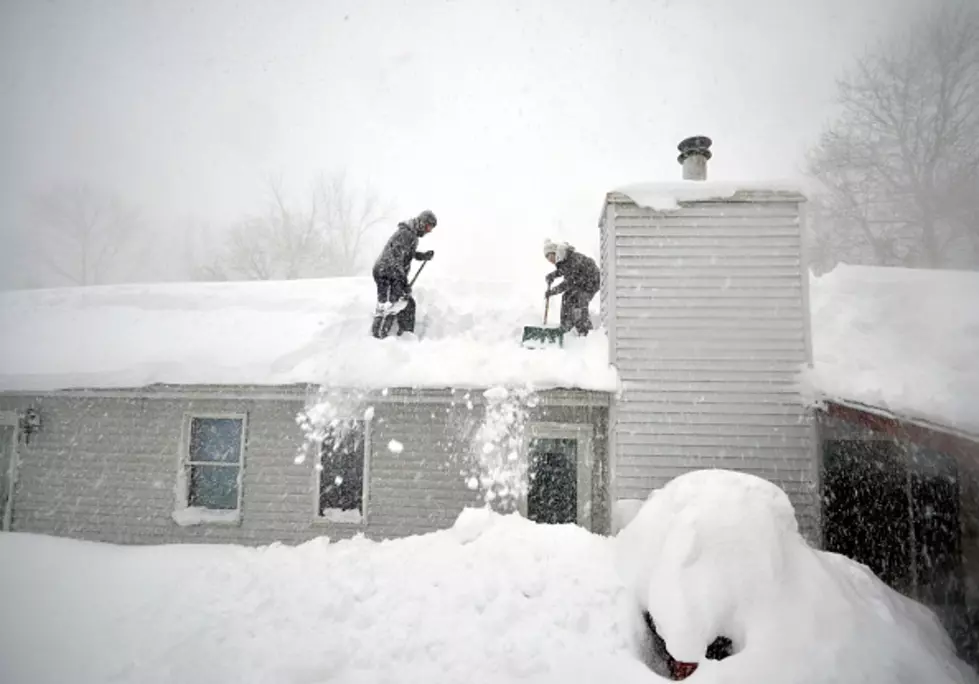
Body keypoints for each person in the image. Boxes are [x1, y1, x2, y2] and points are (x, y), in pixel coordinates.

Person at [371, 210, 437, 338]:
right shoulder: (407, 234)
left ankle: (400, 336)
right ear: (422, 222)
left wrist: (422, 256)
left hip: (388, 271)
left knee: (398, 304)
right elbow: (395, 259)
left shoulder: (410, 234)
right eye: (428, 227)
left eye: (431, 229)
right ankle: (381, 337)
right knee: (393, 305)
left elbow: (407, 253)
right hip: (387, 272)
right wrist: (404, 283)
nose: (429, 231)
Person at [543, 238, 600, 336]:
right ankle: (566, 325)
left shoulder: (572, 259)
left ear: (556, 253)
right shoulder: (565, 259)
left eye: (551, 256)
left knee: (580, 299)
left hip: (591, 281)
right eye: (548, 259)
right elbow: (564, 271)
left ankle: (584, 330)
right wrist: (553, 275)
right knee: (567, 297)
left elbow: (568, 282)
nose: (550, 261)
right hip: (581, 282)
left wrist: (553, 291)